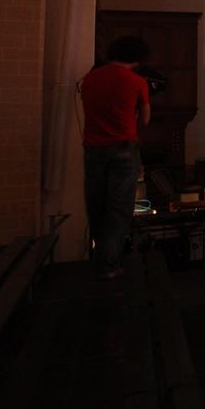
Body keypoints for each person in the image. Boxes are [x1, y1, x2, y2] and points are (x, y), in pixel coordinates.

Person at [80, 35, 152, 280]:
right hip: (123, 146)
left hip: (93, 147)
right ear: (138, 57)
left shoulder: (90, 79)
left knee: (96, 204)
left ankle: (98, 256)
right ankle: (109, 264)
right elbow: (145, 119)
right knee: (119, 207)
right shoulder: (137, 81)